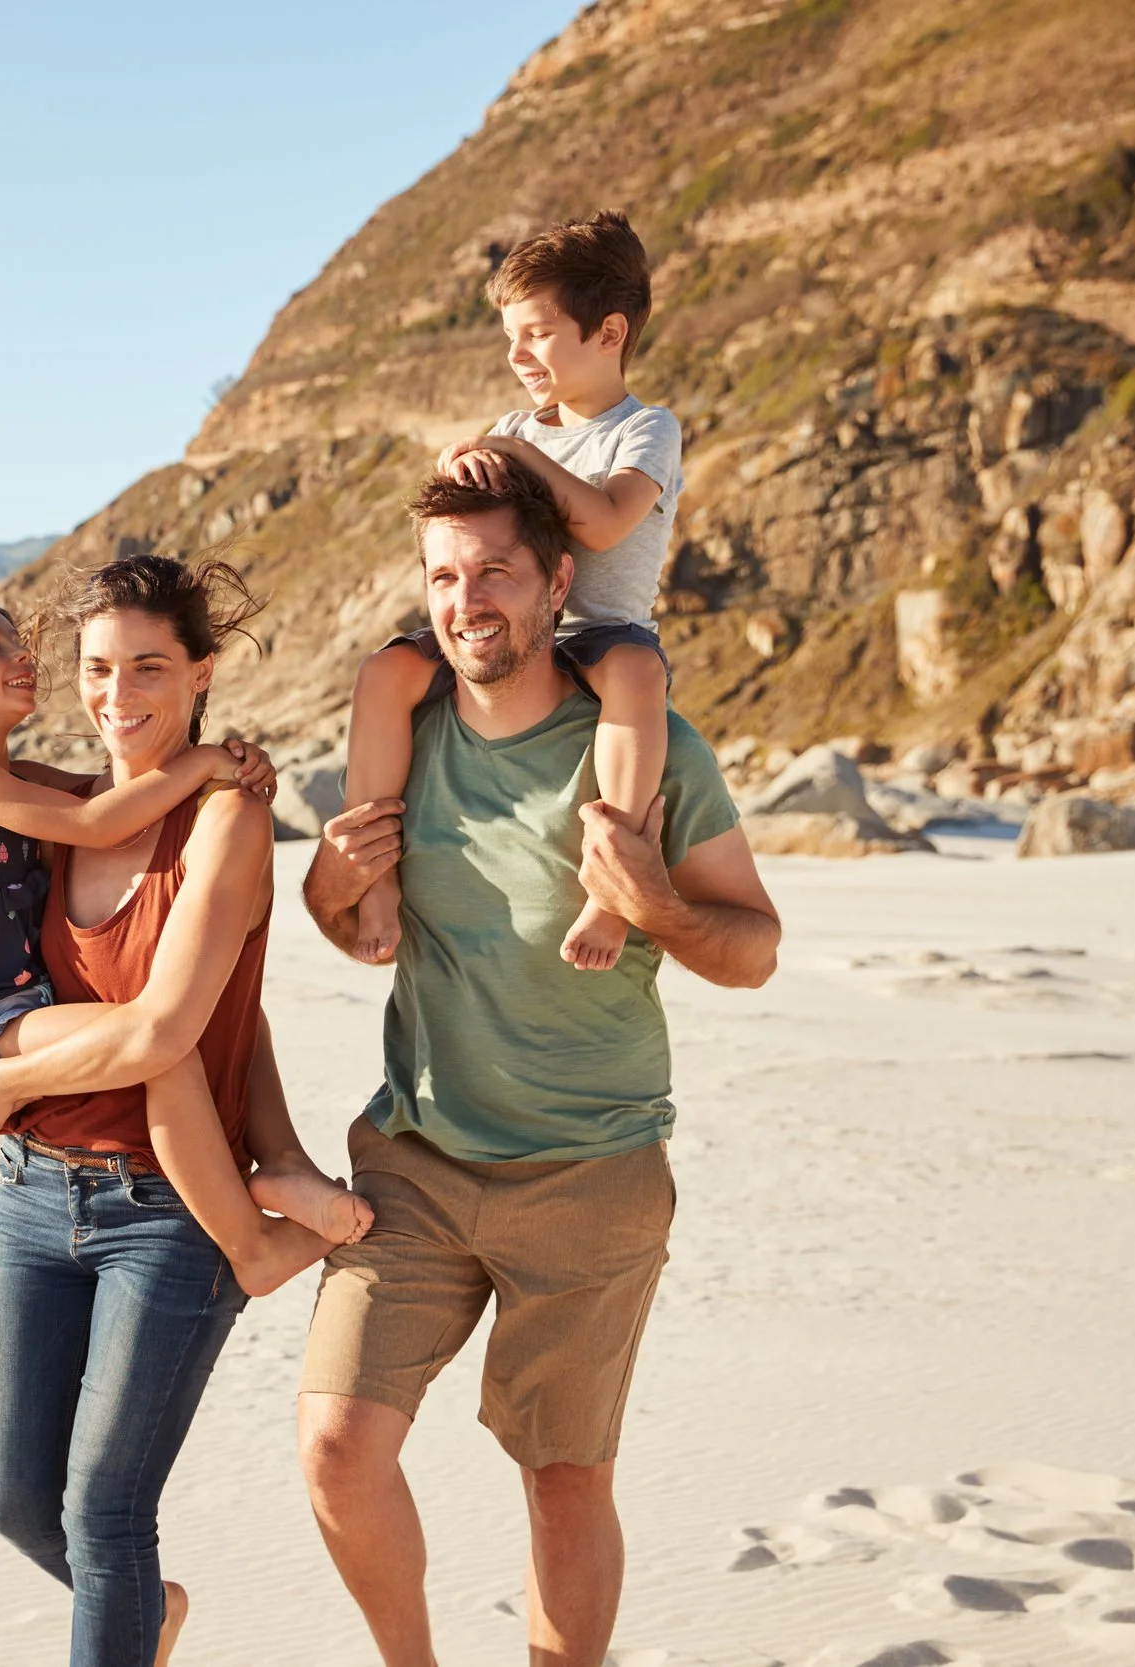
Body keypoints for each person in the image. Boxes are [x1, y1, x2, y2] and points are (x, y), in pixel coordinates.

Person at [297, 468, 781, 1667]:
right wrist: (323, 892)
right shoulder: (403, 734)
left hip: (592, 1171)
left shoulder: (648, 749)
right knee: (336, 1445)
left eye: (495, 572)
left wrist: (657, 903)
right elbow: (356, 928)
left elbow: (754, 947)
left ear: (559, 581)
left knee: (562, 1481)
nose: (466, 602)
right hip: (413, 1157)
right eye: (443, 577)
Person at [0, 553, 366, 1666]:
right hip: (31, 1196)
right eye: (98, 668)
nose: (119, 695)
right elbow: (233, 1023)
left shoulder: (225, 819)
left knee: (105, 1514)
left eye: (150, 667)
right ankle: (146, 1619)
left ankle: (121, 1621)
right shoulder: (62, 810)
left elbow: (173, 1029)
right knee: (6, 1492)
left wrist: (7, 1077)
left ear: (201, 672)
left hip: (168, 1213)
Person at [0, 586, 368, 1294]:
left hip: (10, 1023)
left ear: (197, 670)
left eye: (16, 641)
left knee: (182, 1023)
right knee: (162, 1050)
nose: (19, 654)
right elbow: (97, 822)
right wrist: (202, 761)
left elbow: (100, 797)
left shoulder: (13, 779)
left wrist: (213, 768)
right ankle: (252, 1243)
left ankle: (283, 1165)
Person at [344, 210, 684, 973]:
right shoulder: (515, 425)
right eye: (510, 337)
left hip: (600, 629)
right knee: (385, 671)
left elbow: (599, 524)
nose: (518, 353)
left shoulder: (647, 431)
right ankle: (374, 876)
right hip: (507, 624)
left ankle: (611, 885)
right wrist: (463, 460)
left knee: (637, 674)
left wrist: (512, 450)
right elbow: (468, 509)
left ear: (609, 332)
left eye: (537, 332)